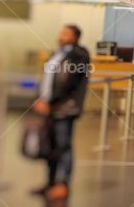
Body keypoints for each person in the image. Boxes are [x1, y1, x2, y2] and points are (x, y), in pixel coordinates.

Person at [31, 24, 90, 201]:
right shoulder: (56, 54)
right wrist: (40, 98)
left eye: (66, 33)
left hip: (65, 108)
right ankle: (50, 183)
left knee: (64, 146)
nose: (61, 35)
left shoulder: (79, 55)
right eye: (61, 32)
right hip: (48, 106)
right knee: (50, 147)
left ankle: (63, 184)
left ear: (75, 37)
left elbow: (69, 83)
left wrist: (51, 101)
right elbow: (47, 78)